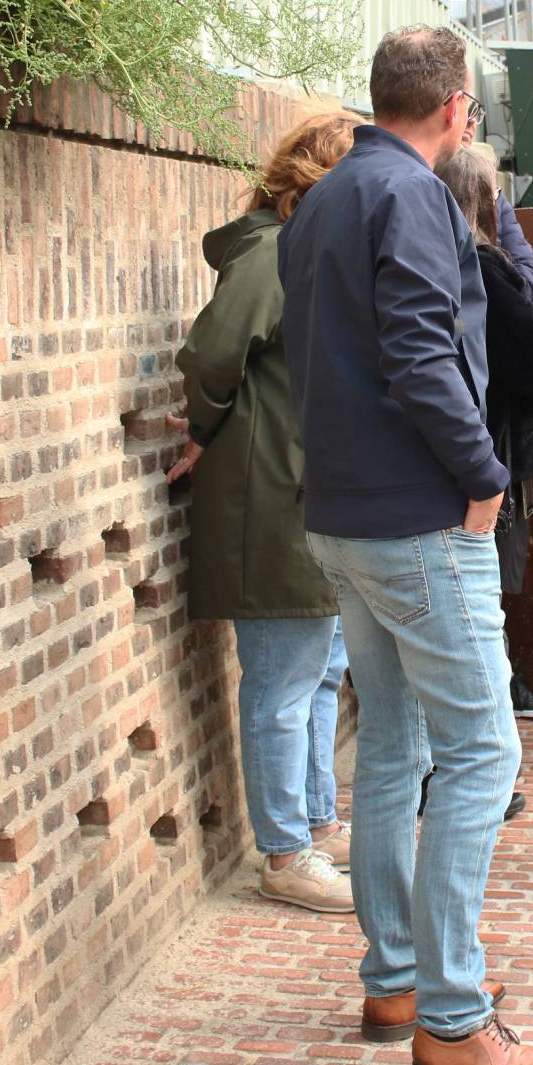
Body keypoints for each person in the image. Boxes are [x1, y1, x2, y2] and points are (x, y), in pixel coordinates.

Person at [279, 25, 533, 1065]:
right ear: (454, 109)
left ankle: (394, 984)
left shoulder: (319, 200)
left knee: (394, 747)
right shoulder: (411, 195)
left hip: (343, 516)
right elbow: (414, 347)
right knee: (484, 753)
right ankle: (452, 1018)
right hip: (418, 518)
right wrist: (483, 473)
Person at [168, 111, 361, 916]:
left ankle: (314, 821)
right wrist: (207, 429)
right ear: (308, 190)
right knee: (284, 678)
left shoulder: (307, 249)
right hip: (272, 500)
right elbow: (215, 353)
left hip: (310, 494)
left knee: (322, 669)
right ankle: (284, 852)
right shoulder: (274, 252)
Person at [435, 147, 533, 727]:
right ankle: (488, 718)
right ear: (486, 202)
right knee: (479, 592)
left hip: (445, 454)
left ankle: (497, 694)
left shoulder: (423, 261)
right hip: (489, 458)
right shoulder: (485, 269)